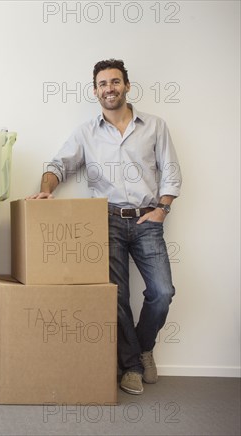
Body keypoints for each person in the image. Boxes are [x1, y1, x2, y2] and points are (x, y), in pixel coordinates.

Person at [29, 59, 181, 395]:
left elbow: (171, 171)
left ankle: (142, 350)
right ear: (95, 90)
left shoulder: (155, 126)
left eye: (114, 82)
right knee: (116, 296)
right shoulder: (86, 132)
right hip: (105, 220)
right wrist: (47, 188)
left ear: (127, 85)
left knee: (162, 292)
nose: (108, 88)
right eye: (102, 84)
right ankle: (130, 368)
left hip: (147, 219)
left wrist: (162, 209)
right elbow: (58, 165)